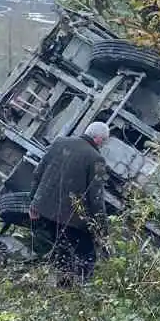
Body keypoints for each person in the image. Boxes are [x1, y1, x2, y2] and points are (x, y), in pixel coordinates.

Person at [29, 122, 110, 286]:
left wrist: (33, 203)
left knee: (57, 249)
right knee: (87, 255)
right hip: (71, 220)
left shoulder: (59, 142)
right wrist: (102, 228)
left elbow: (38, 172)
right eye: (105, 141)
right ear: (99, 139)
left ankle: (55, 285)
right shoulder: (98, 160)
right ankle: (72, 291)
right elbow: (97, 198)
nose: (103, 144)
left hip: (44, 211)